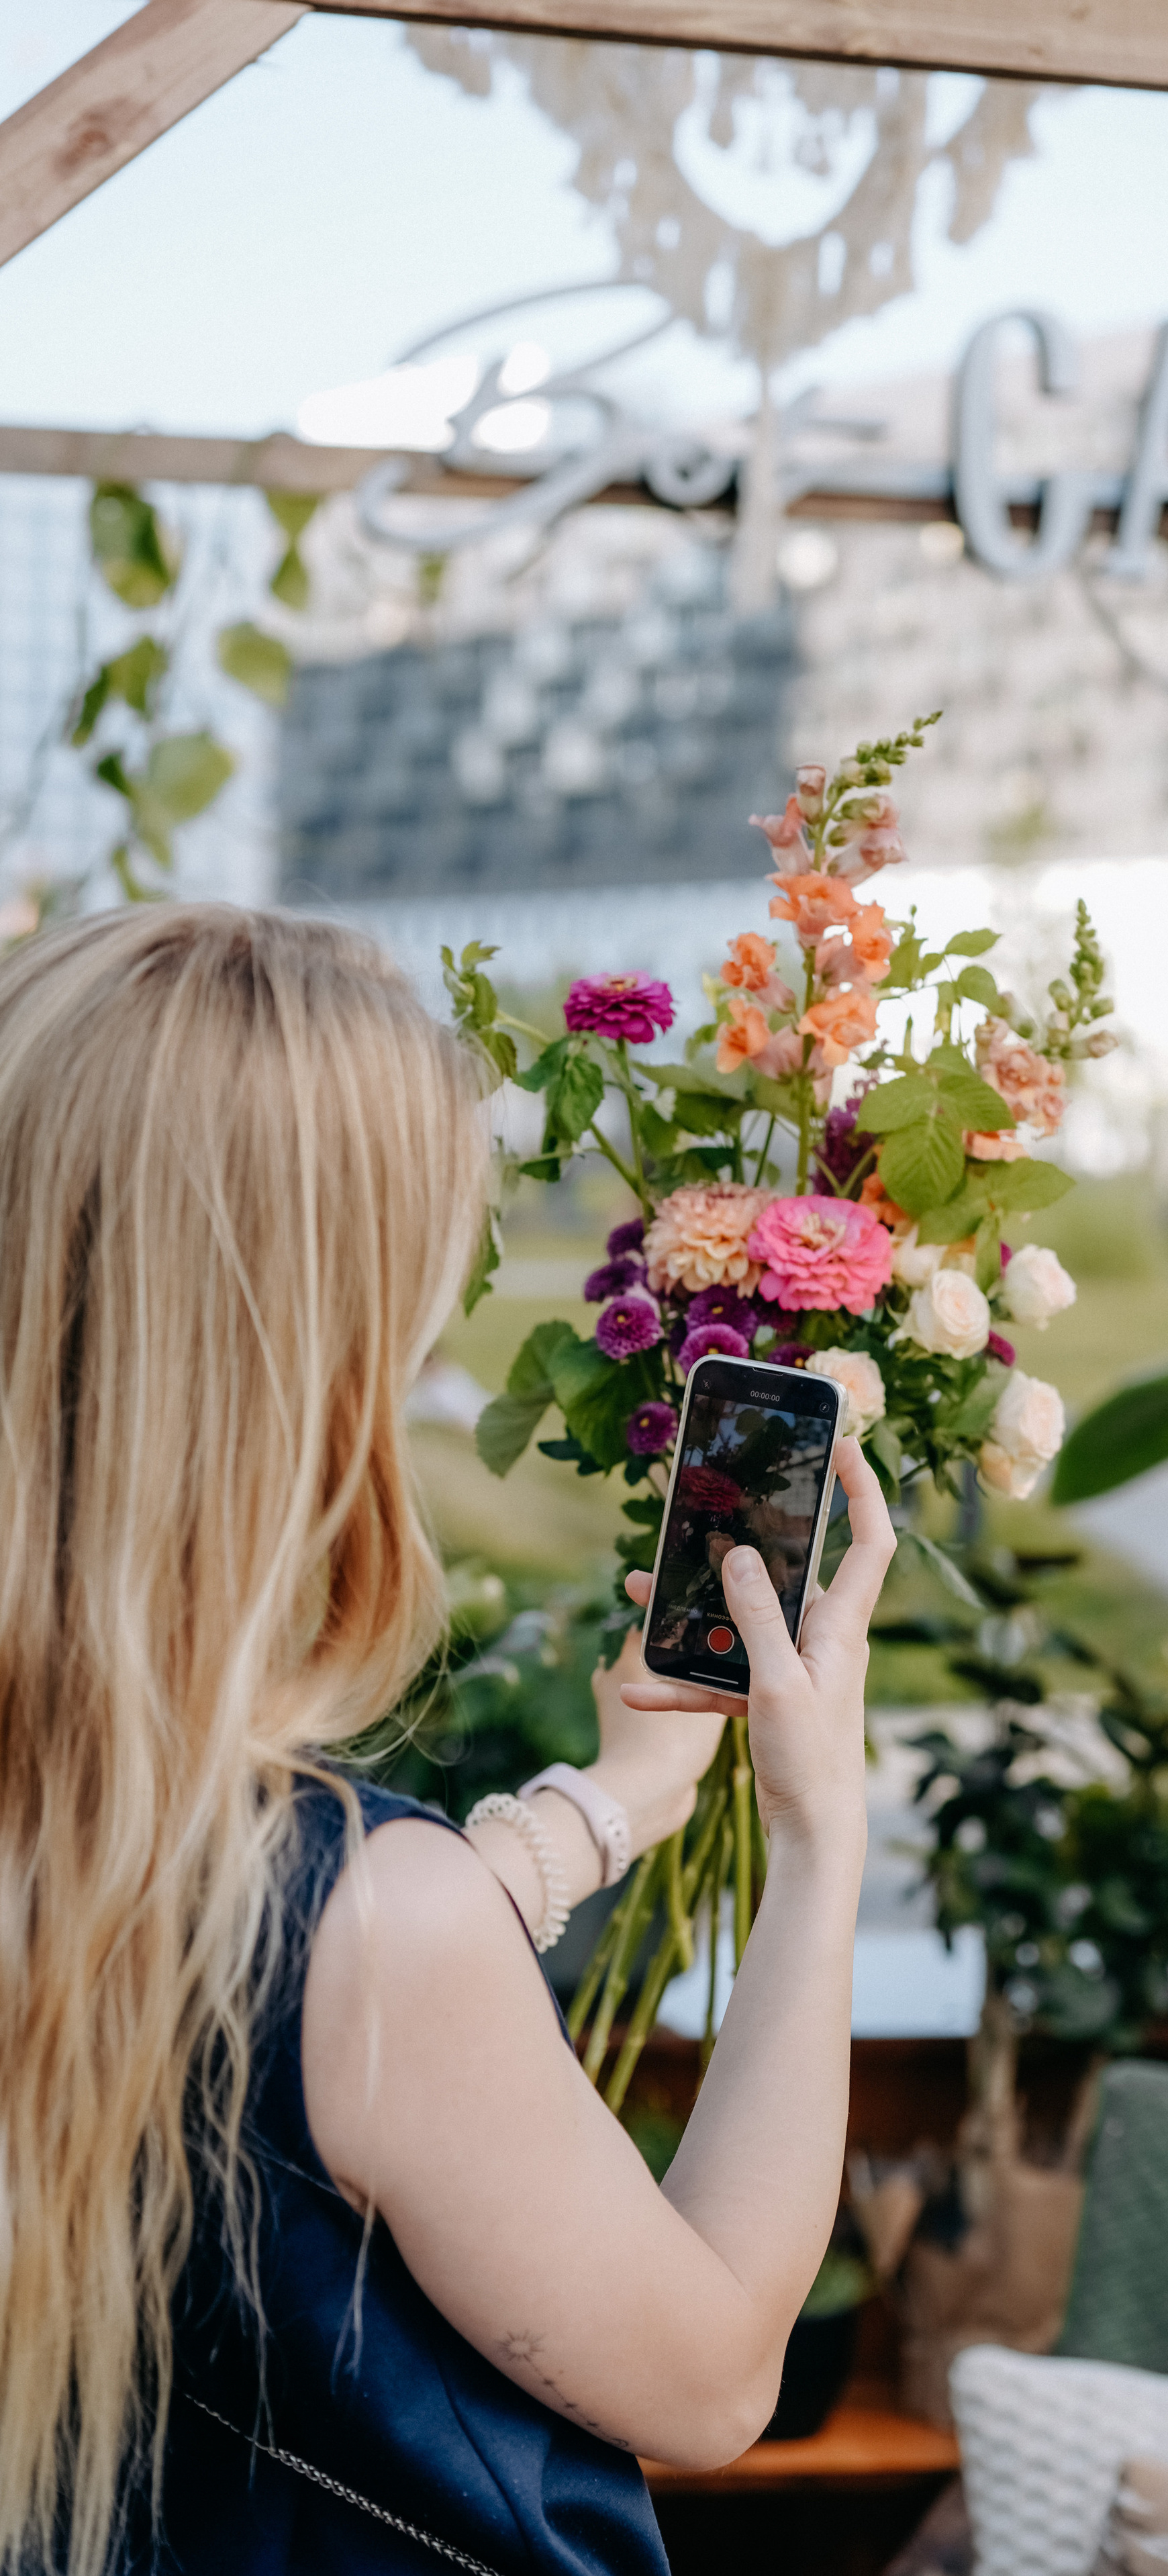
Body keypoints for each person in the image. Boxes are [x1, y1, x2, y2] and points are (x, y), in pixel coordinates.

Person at [0, 904, 892, 2576]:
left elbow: (220, 1972)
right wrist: (818, 1840)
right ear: (311, 1358)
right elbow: (706, 2383)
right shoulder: (374, 1933)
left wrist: (616, 1801)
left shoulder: (132, 1845)